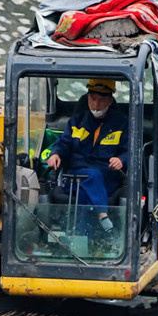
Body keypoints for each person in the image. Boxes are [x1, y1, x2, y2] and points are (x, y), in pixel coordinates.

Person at [44, 79, 130, 234]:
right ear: (87, 98)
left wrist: (121, 160)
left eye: (101, 100)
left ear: (110, 100)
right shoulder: (76, 121)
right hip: (75, 176)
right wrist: (55, 154)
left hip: (107, 178)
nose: (96, 105)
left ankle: (79, 239)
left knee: (87, 188)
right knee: (91, 176)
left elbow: (129, 151)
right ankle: (102, 218)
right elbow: (63, 143)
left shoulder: (122, 123)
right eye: (92, 99)